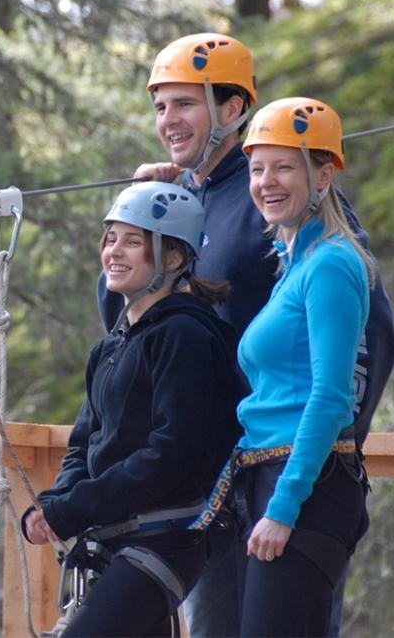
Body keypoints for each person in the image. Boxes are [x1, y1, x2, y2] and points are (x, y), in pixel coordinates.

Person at [97, 33, 394, 637]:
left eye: (185, 103)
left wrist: (326, 451)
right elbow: (127, 324)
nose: (168, 121)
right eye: (160, 106)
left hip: (285, 469)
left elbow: (371, 334)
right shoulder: (180, 199)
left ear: (231, 110)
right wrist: (143, 207)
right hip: (209, 473)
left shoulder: (295, 213)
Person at [23, 181, 245, 637]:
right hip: (117, 540)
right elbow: (83, 445)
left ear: (174, 258)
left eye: (133, 241)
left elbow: (172, 455)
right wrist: (54, 503)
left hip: (167, 538)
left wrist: (75, 508)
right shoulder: (110, 347)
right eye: (110, 239)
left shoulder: (186, 337)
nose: (114, 252)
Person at [233, 96, 373, 635]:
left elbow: (332, 396)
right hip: (275, 479)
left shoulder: (332, 263)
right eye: (257, 167)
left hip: (303, 489)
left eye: (284, 166)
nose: (267, 181)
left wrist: (285, 505)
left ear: (323, 174)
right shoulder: (296, 265)